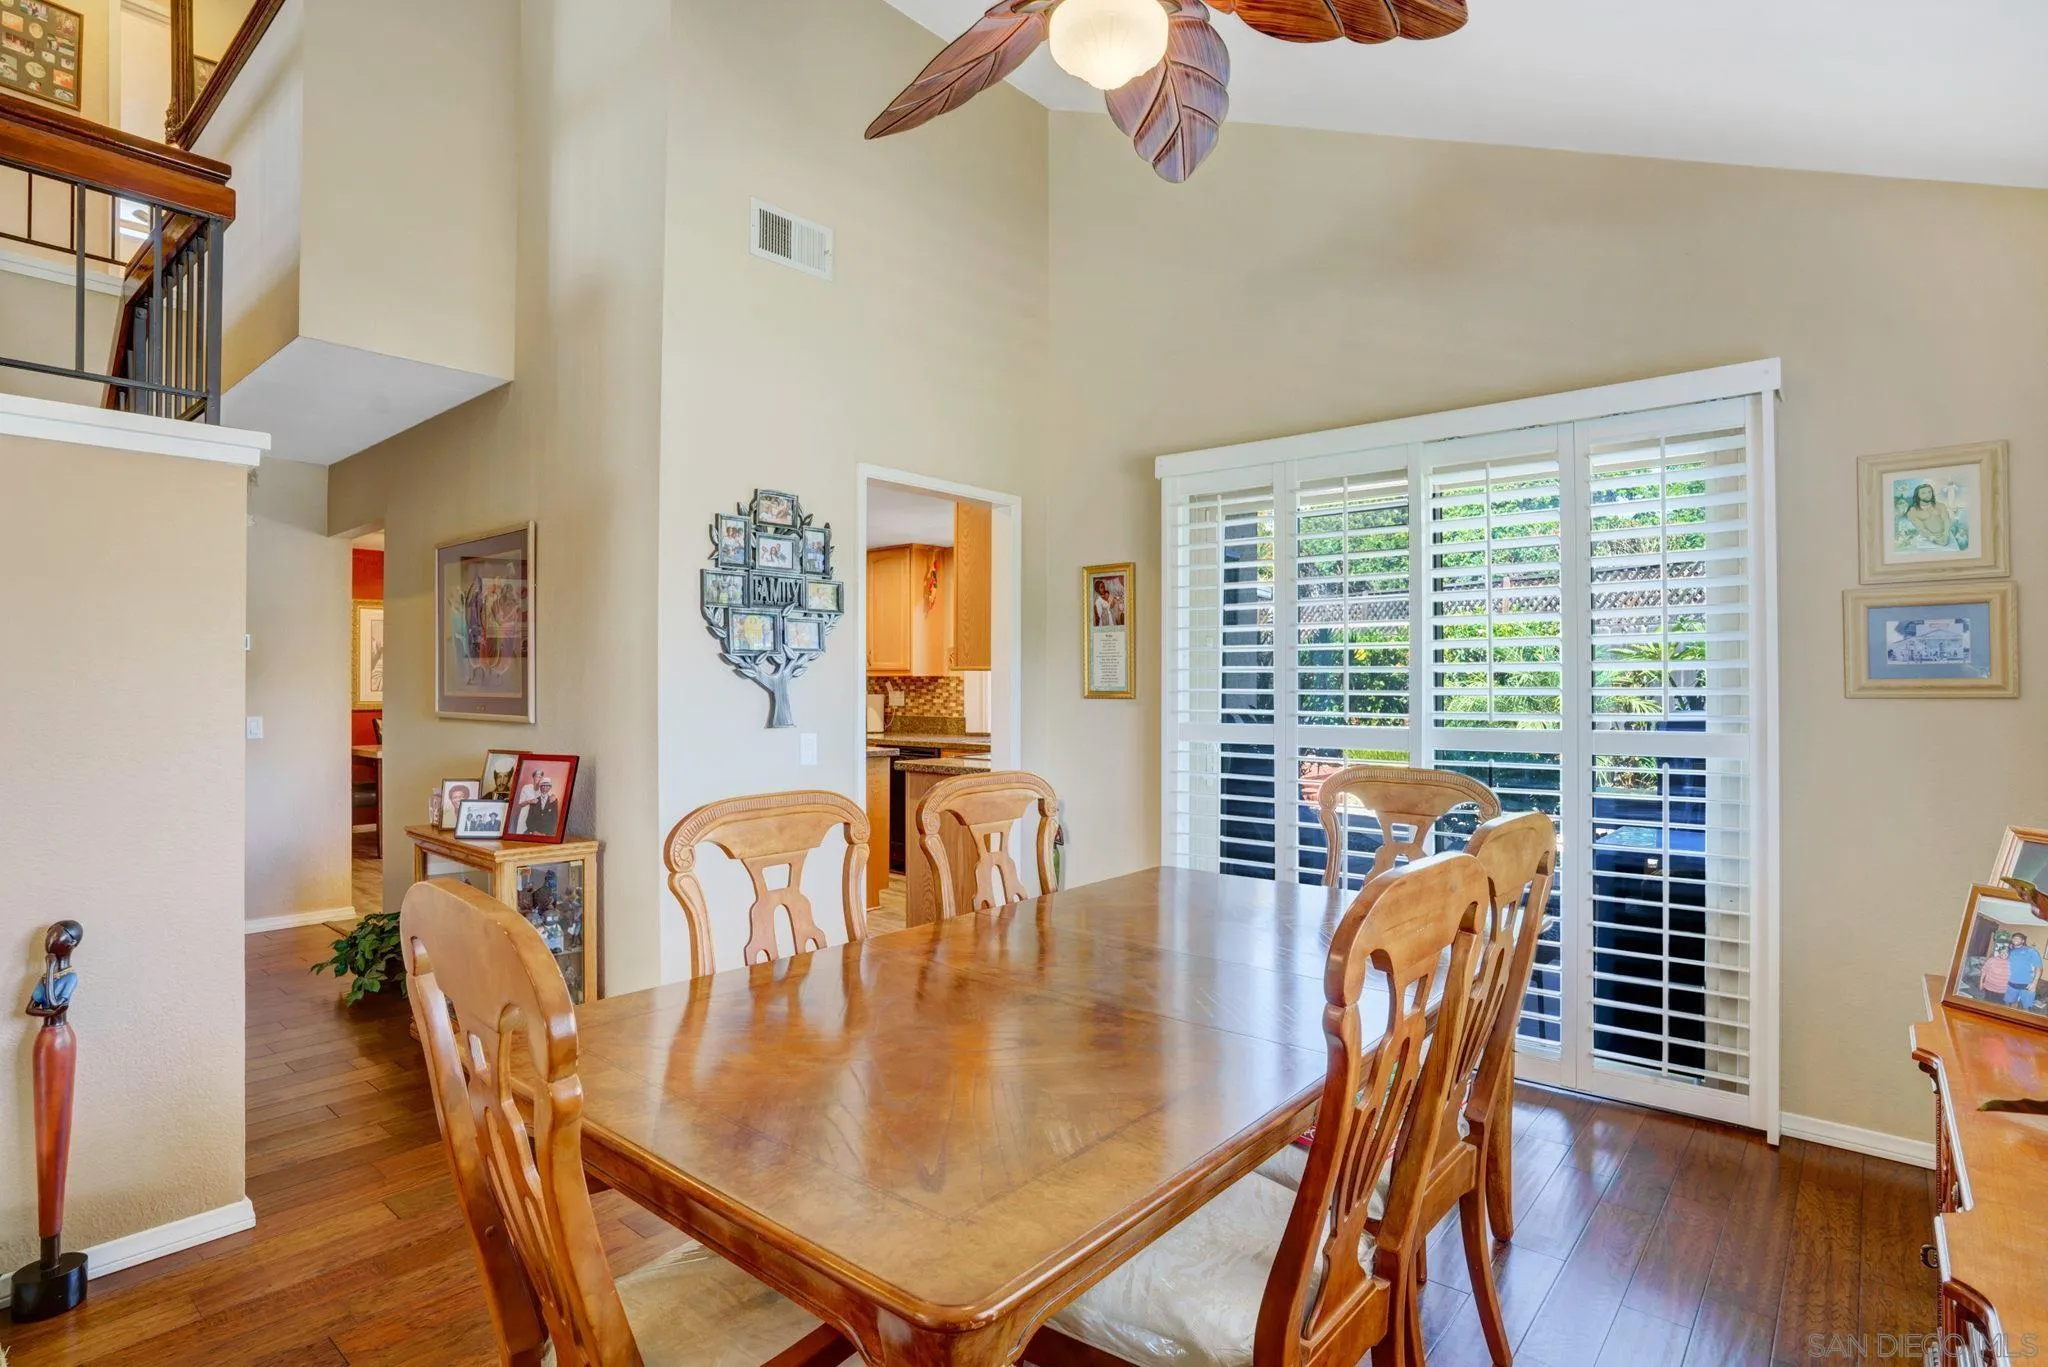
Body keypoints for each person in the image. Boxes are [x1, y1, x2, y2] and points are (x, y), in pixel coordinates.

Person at [1901, 482, 1955, 550]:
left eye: (1930, 492)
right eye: (1923, 493)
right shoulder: (1913, 511)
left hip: (1946, 535)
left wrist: (1946, 535)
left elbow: (1946, 520)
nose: (1928, 495)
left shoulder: (1940, 505)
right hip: (1927, 539)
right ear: (1917, 495)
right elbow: (1921, 528)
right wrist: (1935, 539)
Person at [2003, 931, 2042, 1011]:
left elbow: (2039, 968)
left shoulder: (2031, 951)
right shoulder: (2011, 951)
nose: (2015, 939)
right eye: (2014, 938)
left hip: (2026, 985)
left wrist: (2034, 983)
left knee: (2026, 1007)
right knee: (2008, 1003)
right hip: (2011, 983)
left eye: (2018, 938)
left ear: (2023, 941)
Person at [516, 771, 561, 837]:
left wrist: (547, 834)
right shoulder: (527, 789)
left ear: (550, 787)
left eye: (540, 777)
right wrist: (534, 832)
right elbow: (529, 819)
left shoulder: (552, 800)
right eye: (537, 776)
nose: (545, 787)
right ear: (533, 777)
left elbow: (554, 819)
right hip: (530, 824)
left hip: (546, 831)